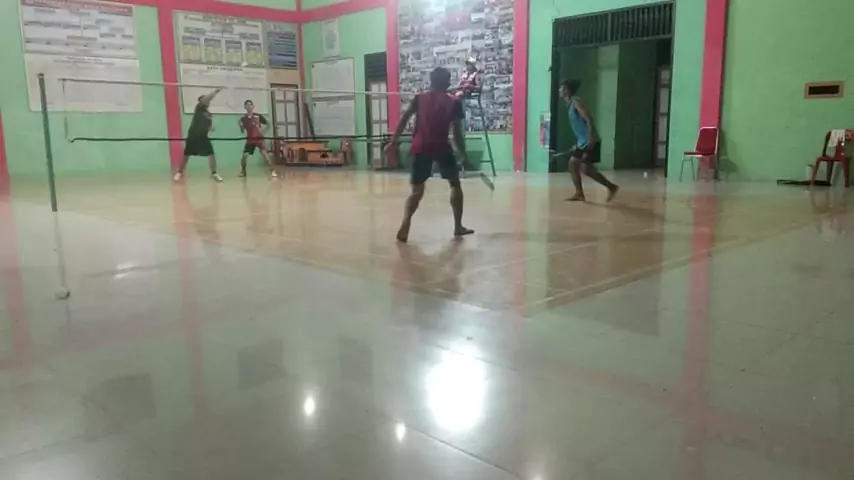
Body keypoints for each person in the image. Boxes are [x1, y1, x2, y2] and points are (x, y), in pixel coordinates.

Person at [385, 67, 474, 243]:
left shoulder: (419, 99)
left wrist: (393, 142)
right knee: (455, 185)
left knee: (417, 191)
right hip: (441, 146)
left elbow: (404, 119)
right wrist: (464, 155)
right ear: (447, 82)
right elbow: (457, 133)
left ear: (431, 82)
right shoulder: (454, 103)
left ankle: (405, 223)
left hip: (421, 146)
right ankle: (458, 226)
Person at [560, 79, 619, 202]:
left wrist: (591, 137)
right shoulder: (570, 105)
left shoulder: (576, 102)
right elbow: (579, 127)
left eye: (562, 88)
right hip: (582, 142)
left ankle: (608, 188)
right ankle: (605, 188)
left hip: (590, 140)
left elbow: (588, 119)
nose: (559, 90)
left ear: (567, 90)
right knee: (582, 168)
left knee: (576, 165)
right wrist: (578, 144)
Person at [174, 88, 224, 182]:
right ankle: (180, 172)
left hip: (203, 137)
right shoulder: (199, 108)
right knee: (186, 156)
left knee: (211, 154)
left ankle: (214, 173)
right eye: (205, 99)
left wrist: (211, 128)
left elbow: (208, 127)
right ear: (201, 101)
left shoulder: (209, 114)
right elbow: (207, 99)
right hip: (193, 136)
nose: (207, 101)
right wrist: (215, 91)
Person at [238, 100, 277, 178]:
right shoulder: (243, 119)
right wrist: (241, 126)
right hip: (250, 140)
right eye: (247, 105)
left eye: (250, 105)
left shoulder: (258, 116)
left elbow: (268, 124)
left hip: (259, 139)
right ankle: (243, 171)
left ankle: (272, 170)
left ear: (253, 106)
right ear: (245, 107)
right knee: (244, 156)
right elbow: (242, 131)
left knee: (265, 155)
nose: (249, 106)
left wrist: (264, 131)